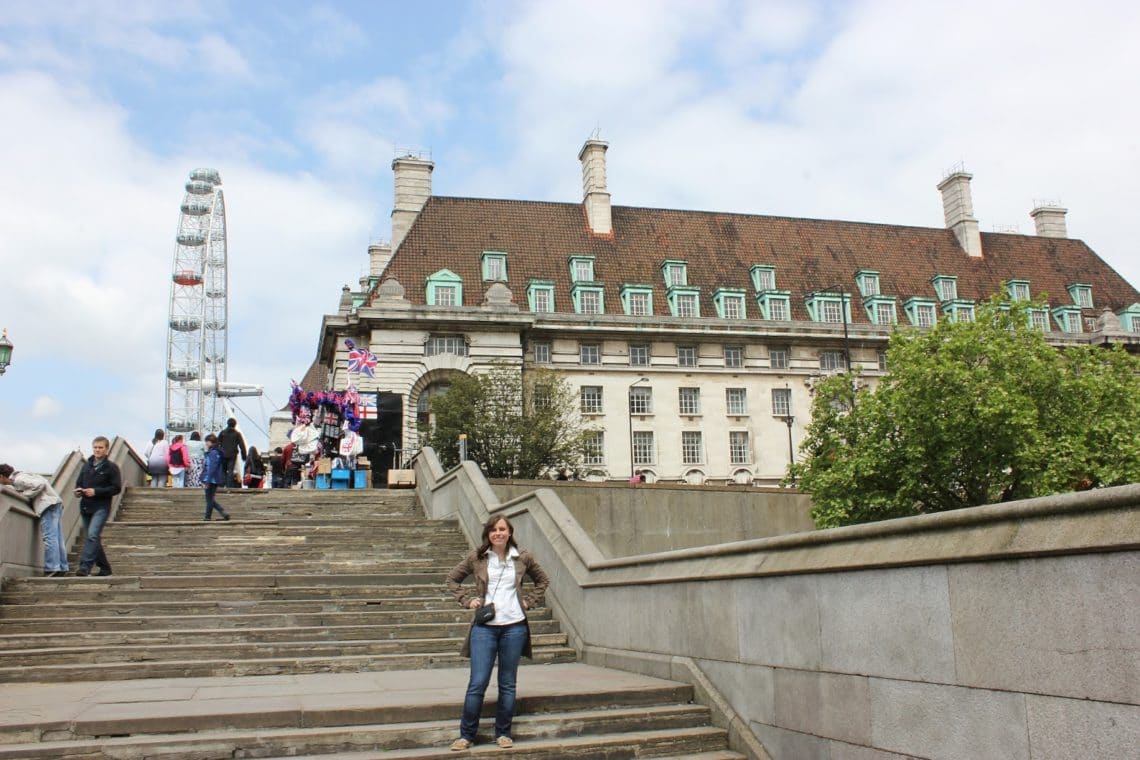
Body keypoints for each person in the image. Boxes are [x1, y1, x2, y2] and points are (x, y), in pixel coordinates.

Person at [445, 515, 549, 751]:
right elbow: (452, 579)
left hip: (515, 627)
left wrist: (530, 601)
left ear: (509, 532)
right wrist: (468, 600)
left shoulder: (522, 557)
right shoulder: (478, 557)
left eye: (502, 529)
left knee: (508, 683)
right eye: (493, 530)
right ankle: (466, 735)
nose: (498, 533)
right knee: (477, 683)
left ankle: (503, 733)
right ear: (488, 534)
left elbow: (543, 580)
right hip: (485, 629)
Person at [0, 463, 70, 577]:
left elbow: (40, 484)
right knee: (57, 537)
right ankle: (62, 567)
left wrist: (26, 495)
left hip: (47, 504)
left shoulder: (18, 479)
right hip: (54, 503)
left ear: (2, 476)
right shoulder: (22, 475)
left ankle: (52, 567)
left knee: (50, 537)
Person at [74, 436, 121, 577]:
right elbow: (79, 483)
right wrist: (78, 491)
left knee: (93, 535)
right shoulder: (86, 466)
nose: (97, 450)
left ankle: (85, 566)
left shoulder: (111, 468)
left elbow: (116, 488)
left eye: (100, 447)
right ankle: (105, 568)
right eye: (95, 447)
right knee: (92, 537)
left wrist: (96, 491)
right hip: (86, 506)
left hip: (101, 506)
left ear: (106, 450)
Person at [200, 434, 231, 521]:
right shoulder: (216, 452)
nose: (206, 443)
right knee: (210, 498)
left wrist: (207, 480)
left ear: (210, 442)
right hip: (214, 478)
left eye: (207, 441)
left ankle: (208, 516)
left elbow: (211, 467)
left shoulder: (213, 452)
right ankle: (221, 512)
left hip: (210, 479)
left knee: (209, 499)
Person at [217, 418, 247, 488]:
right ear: (235, 425)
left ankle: (222, 484)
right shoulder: (237, 434)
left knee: (223, 470)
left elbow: (217, 443)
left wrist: (218, 452)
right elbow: (242, 445)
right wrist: (244, 456)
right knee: (230, 470)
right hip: (232, 454)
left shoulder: (222, 433)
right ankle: (229, 485)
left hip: (223, 453)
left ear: (227, 424)